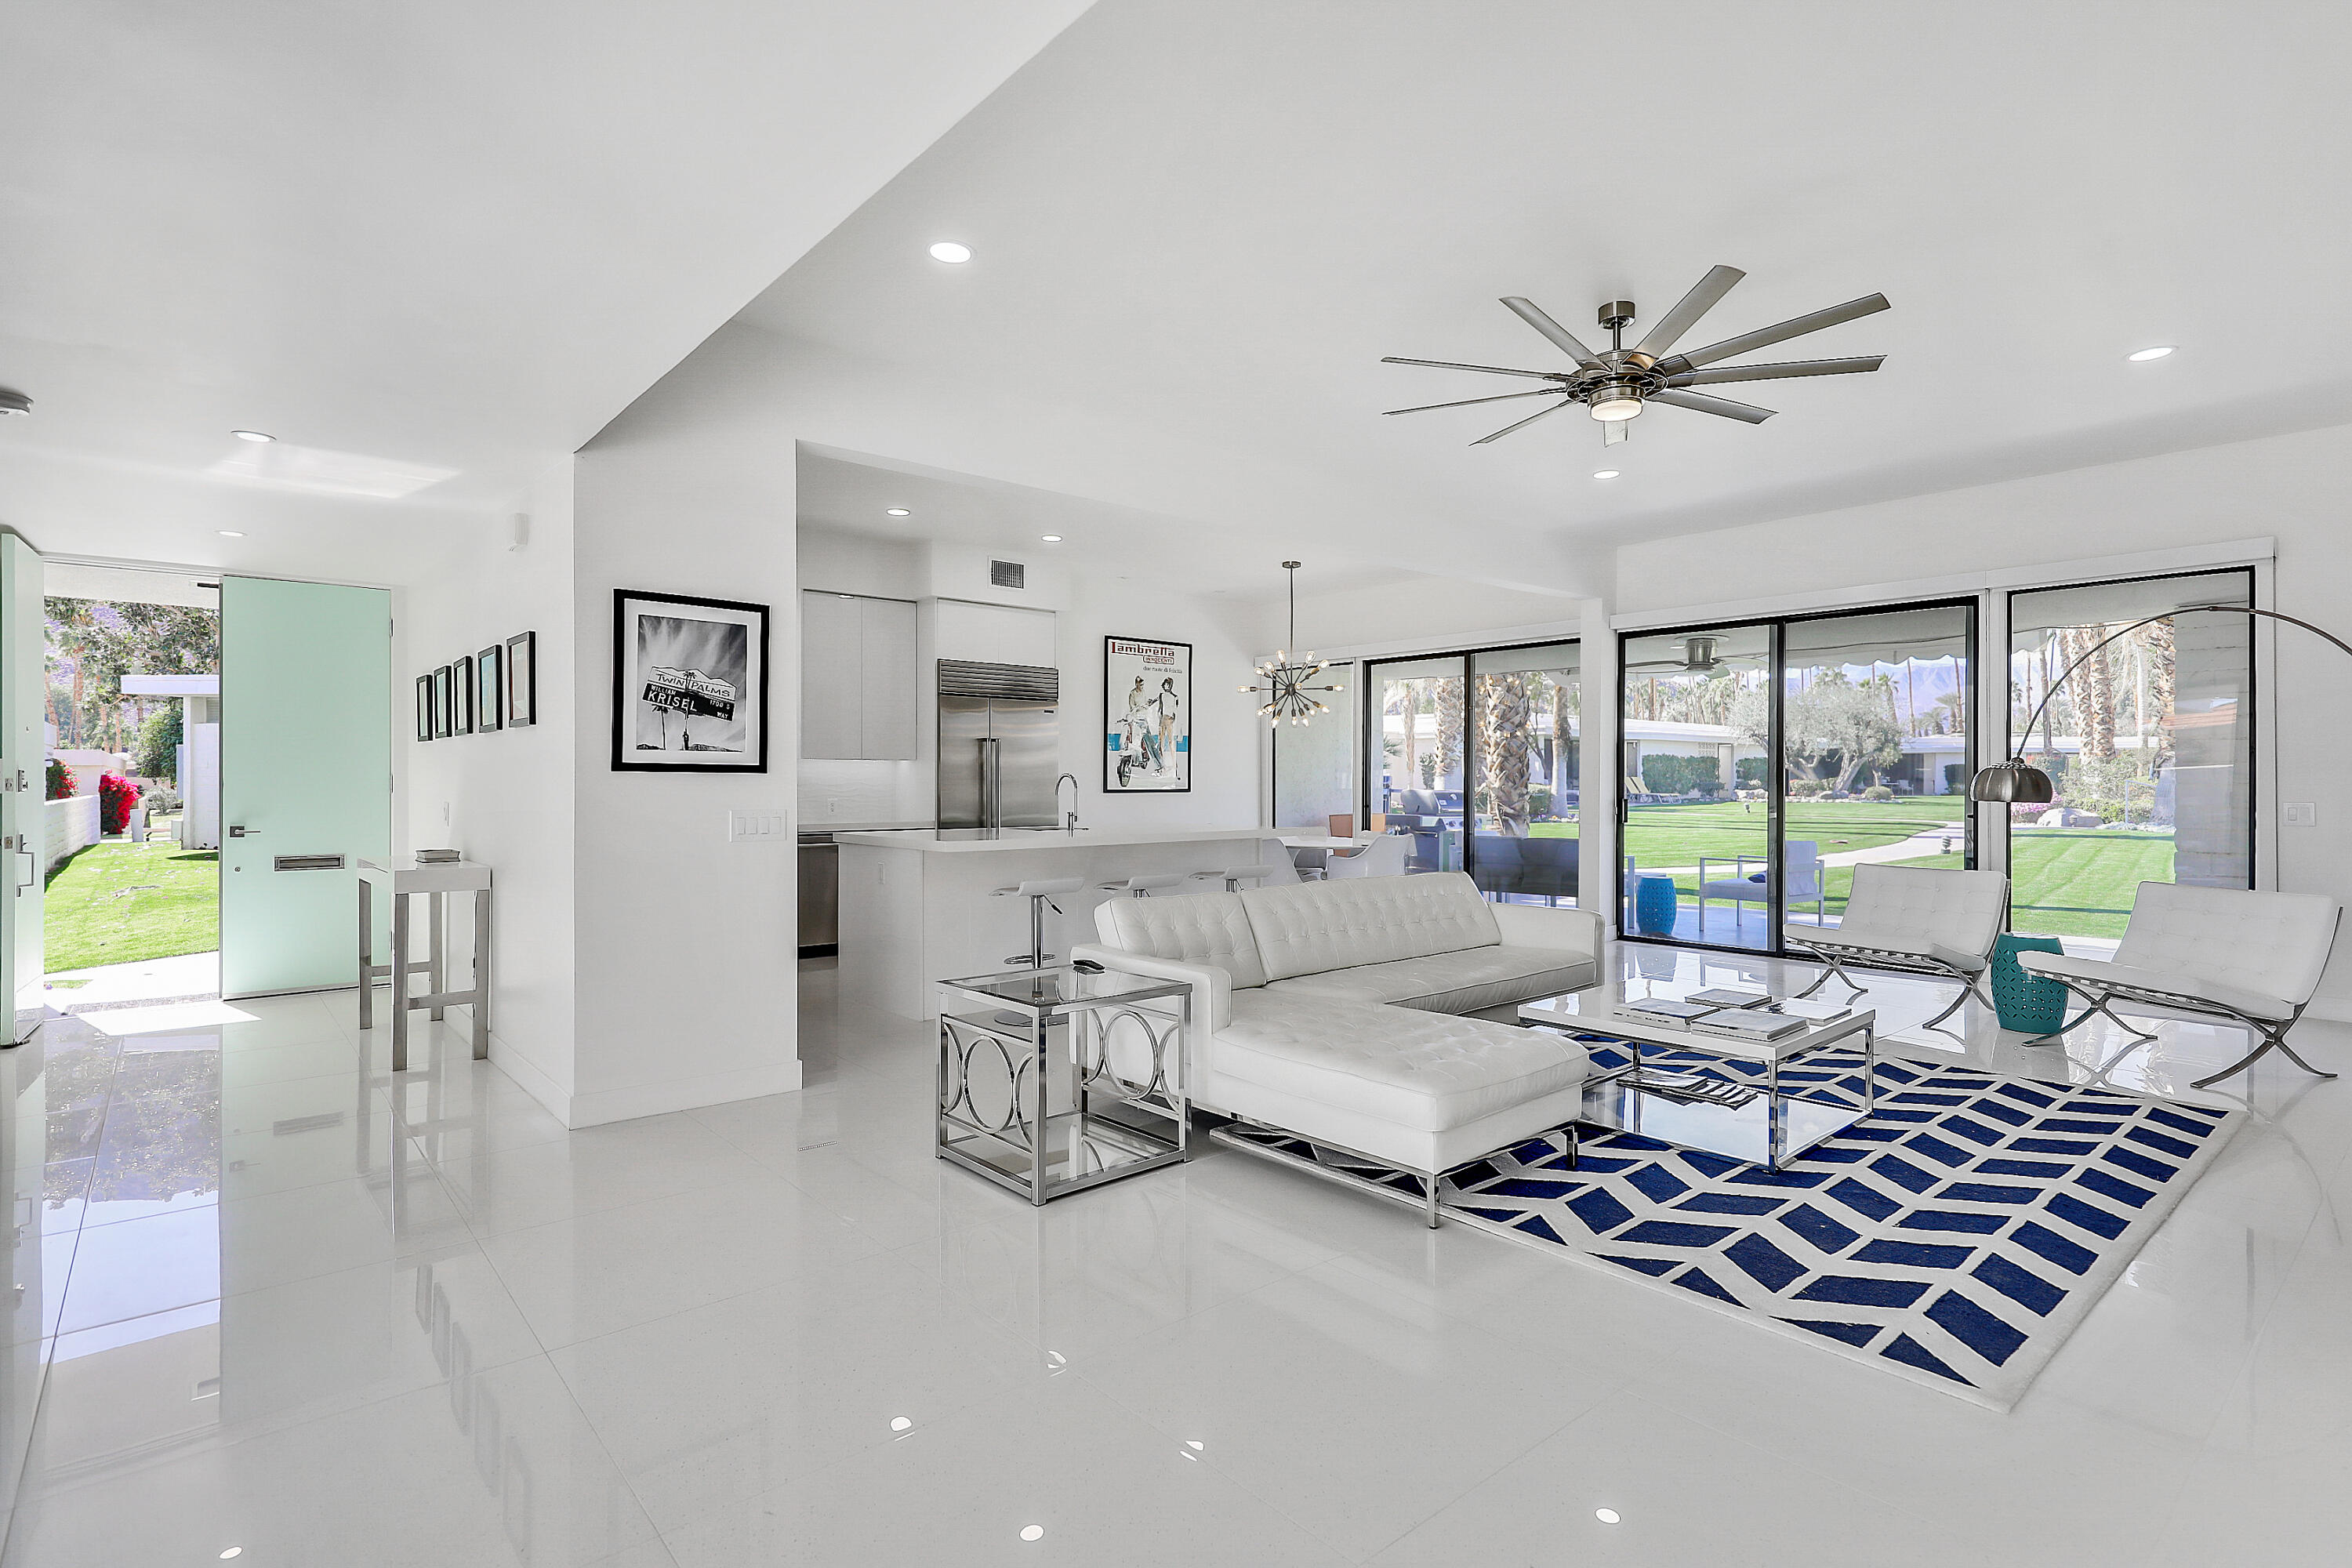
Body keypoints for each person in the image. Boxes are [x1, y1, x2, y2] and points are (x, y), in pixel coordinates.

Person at [1153, 677, 1182, 779]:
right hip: (1162, 720)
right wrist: (1159, 717)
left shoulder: (1175, 697)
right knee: (1161, 742)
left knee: (1171, 743)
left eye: (1168, 685)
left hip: (1170, 720)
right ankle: (1162, 766)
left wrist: (1173, 720)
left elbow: (1176, 711)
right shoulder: (1161, 695)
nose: (1167, 686)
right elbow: (1160, 708)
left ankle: (1175, 766)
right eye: (1166, 684)